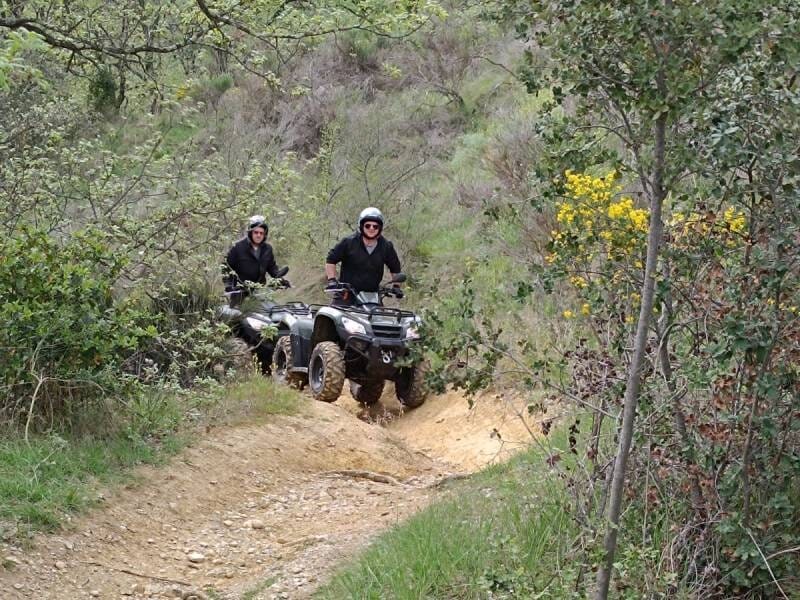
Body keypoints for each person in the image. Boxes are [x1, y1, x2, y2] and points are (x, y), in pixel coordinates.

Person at [325, 207, 403, 303]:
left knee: (379, 317)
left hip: (372, 297)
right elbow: (331, 259)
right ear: (361, 226)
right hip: (346, 295)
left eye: (375, 226)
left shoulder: (386, 246)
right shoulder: (348, 242)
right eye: (368, 226)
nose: (371, 228)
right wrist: (332, 280)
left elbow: (395, 269)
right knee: (333, 316)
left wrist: (396, 287)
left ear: (380, 228)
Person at [224, 215, 287, 305]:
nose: (259, 235)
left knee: (267, 314)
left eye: (261, 233)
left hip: (259, 292)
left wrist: (281, 280)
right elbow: (226, 268)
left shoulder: (267, 249)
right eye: (256, 232)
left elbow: (272, 268)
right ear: (250, 232)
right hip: (239, 293)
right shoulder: (237, 247)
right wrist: (229, 285)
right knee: (238, 317)